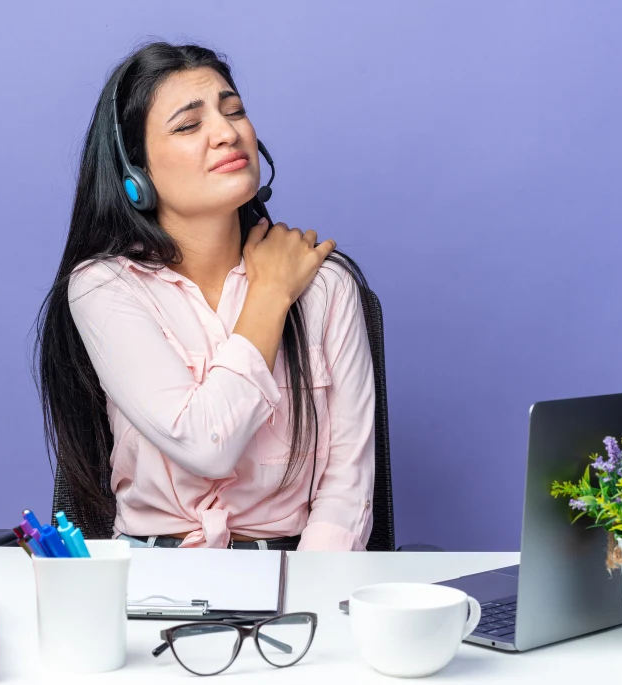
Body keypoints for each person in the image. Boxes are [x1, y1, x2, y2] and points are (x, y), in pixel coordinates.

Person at [34, 41, 376, 551]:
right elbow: (206, 442)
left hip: (294, 580)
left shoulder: (327, 284)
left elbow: (346, 488)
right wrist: (271, 294)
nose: (226, 133)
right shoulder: (105, 286)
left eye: (234, 111)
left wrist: (312, 605)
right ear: (136, 174)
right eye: (189, 125)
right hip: (152, 582)